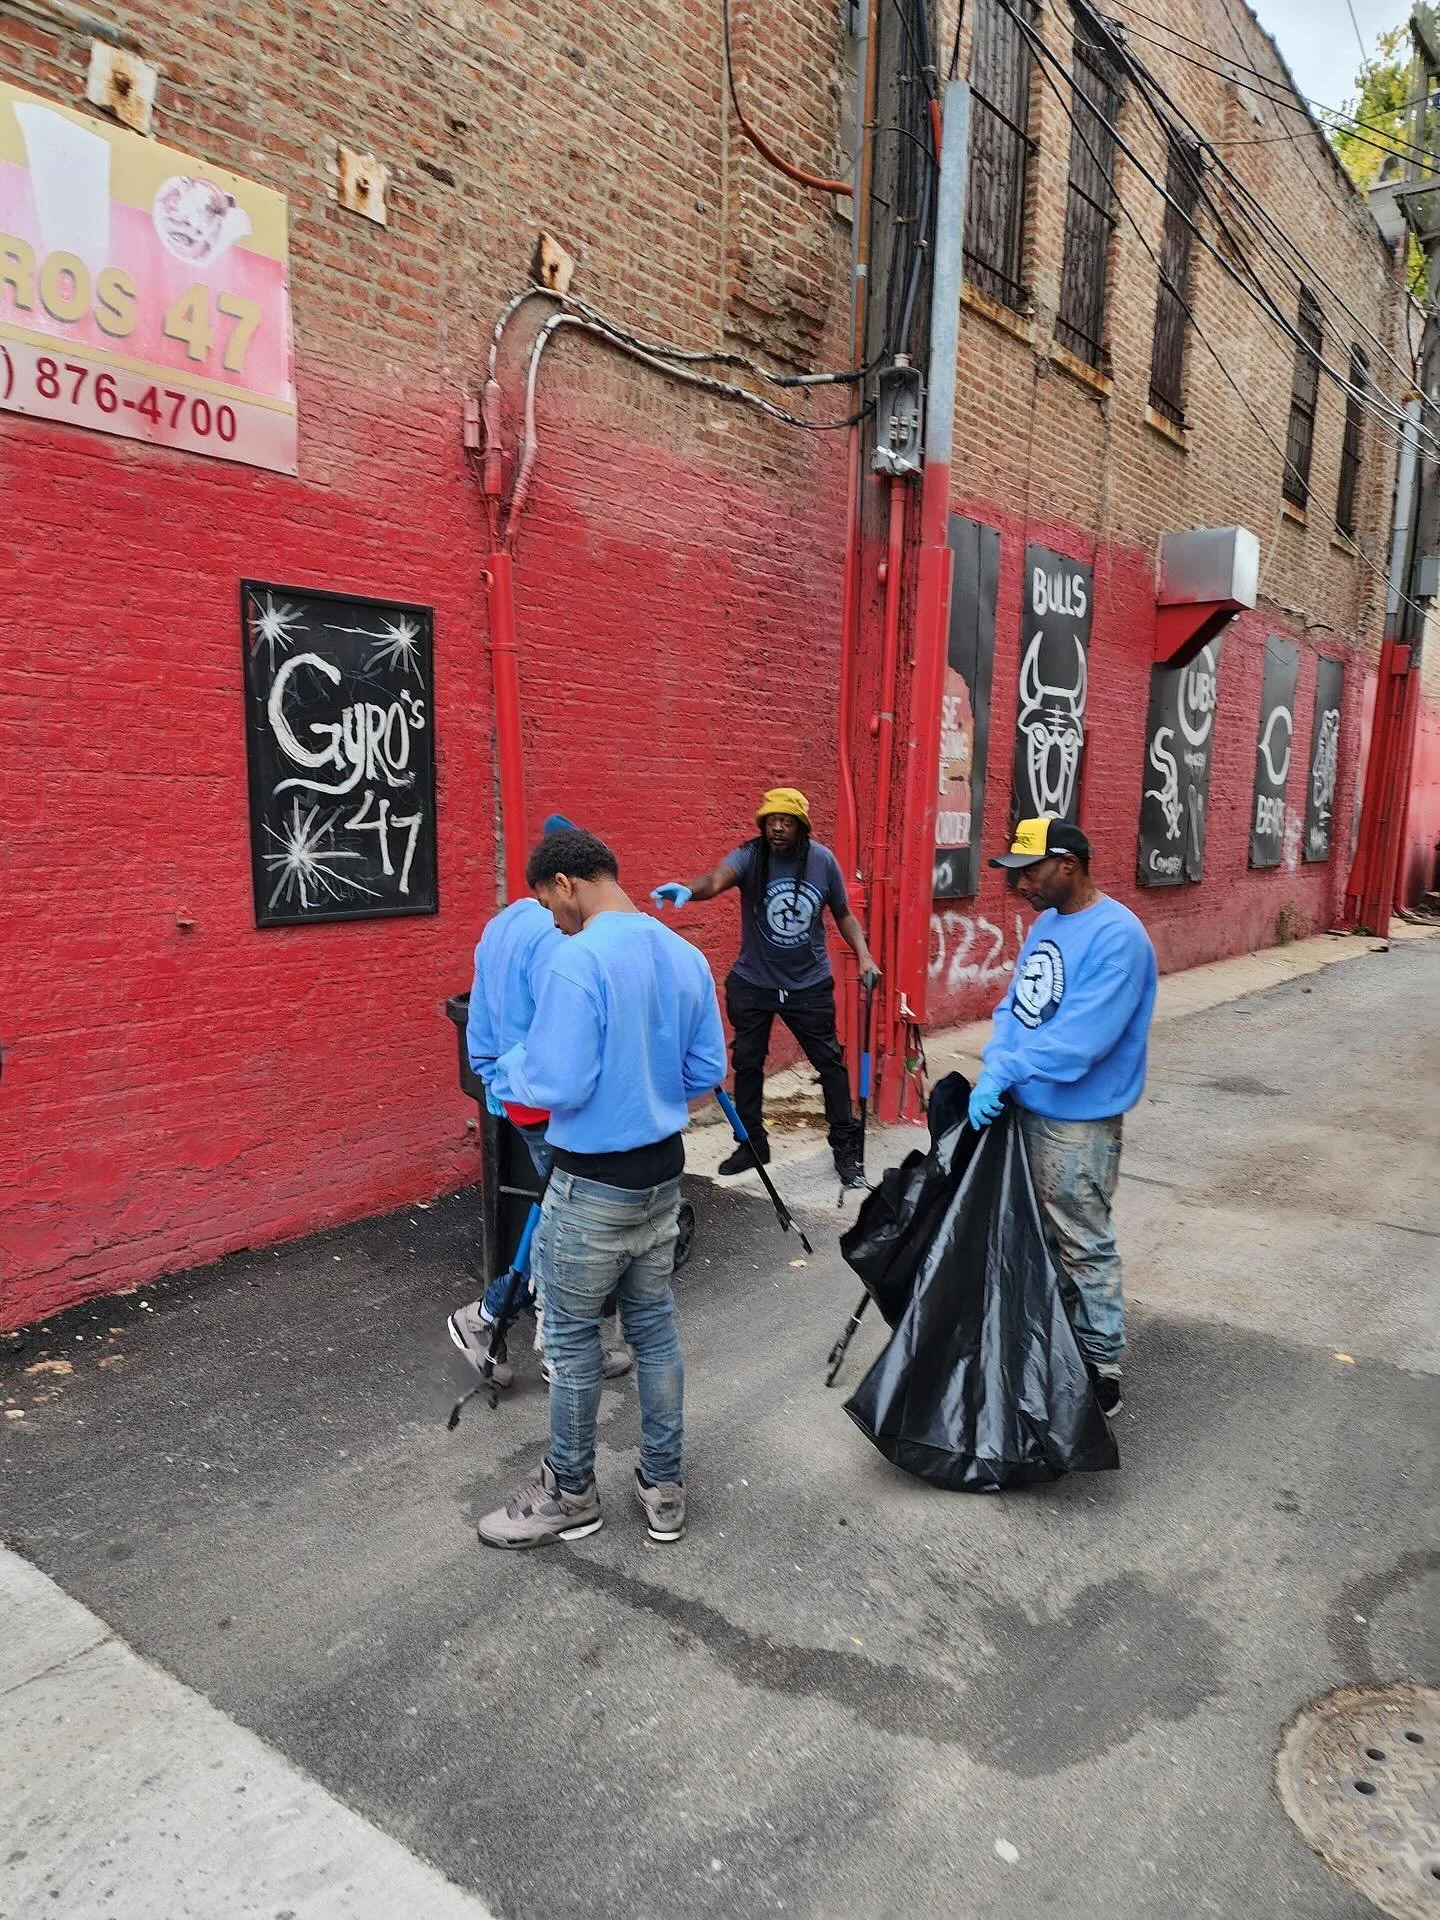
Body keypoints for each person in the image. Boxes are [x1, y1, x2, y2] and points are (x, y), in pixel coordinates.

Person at [477, 827, 727, 1550]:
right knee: (653, 1330)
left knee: (574, 1341)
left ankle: (570, 1493)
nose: (550, 922)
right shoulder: (683, 954)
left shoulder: (578, 960)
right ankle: (663, 1487)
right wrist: (644, 1083)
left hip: (590, 1187)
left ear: (565, 884)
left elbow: (557, 1079)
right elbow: (703, 1071)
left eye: (547, 905)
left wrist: (507, 1073)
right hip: (661, 1178)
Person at [967, 816, 1157, 1417]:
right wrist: (998, 1061)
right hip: (1027, 1104)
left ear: (1068, 865)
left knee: (1081, 1239)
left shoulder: (1117, 938)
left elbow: (1082, 1042)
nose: (1020, 886)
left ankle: (1101, 1367)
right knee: (1041, 1237)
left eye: (1030, 872)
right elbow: (1016, 1008)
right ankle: (1061, 1344)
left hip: (1078, 1123)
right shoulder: (1049, 924)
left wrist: (1009, 1071)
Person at [448, 814, 632, 1389]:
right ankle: (519, 1331)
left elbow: (480, 1010)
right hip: (554, 1102)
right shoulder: (560, 937)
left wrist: (490, 1075)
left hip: (513, 1094)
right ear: (569, 880)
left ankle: (516, 1328)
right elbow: (568, 1040)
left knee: (553, 1215)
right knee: (568, 1226)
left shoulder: (501, 925)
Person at [651, 787, 879, 1189]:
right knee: (748, 1065)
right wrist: (692, 889)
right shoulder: (751, 855)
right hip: (754, 981)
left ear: (801, 827)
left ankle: (846, 1149)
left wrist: (863, 956)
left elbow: (842, 913)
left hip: (808, 984)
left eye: (785, 821)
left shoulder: (822, 862)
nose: (776, 826)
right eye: (770, 819)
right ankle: (753, 1144)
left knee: (830, 1066)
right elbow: (718, 878)